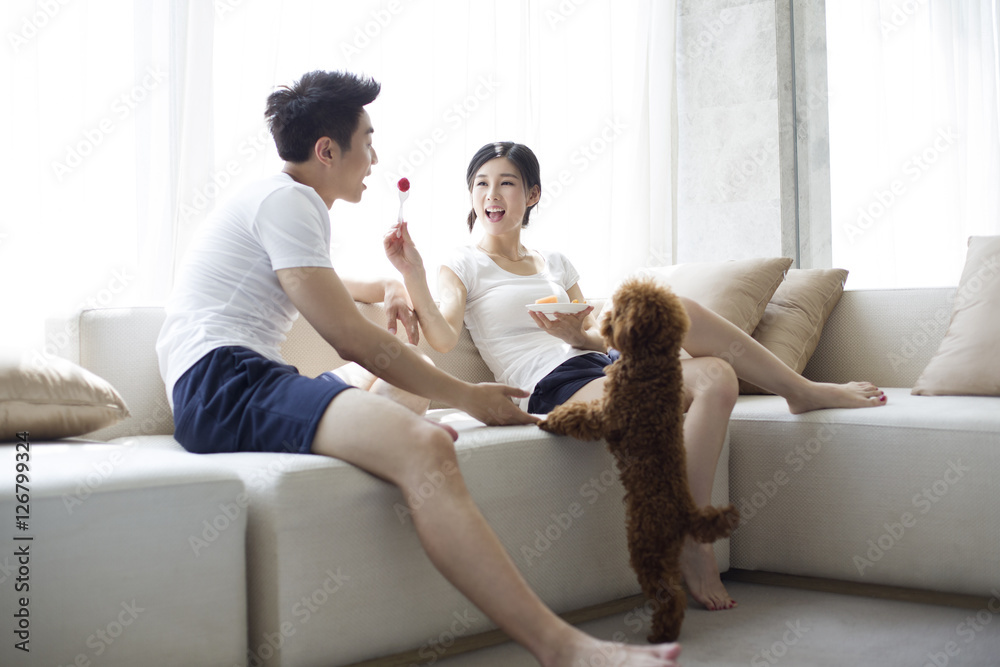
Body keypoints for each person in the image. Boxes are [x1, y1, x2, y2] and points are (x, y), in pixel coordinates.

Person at [157, 73, 682, 667]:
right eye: (367, 140)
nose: (374, 158)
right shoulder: (290, 201)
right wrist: (471, 395)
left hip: (239, 380)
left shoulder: (281, 200)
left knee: (405, 398)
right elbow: (349, 337)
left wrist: (390, 281)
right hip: (224, 385)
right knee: (426, 445)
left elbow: (326, 286)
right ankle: (564, 649)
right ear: (328, 150)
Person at [383, 140, 888, 612]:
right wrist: (411, 274)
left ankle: (793, 400)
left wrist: (578, 336)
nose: (492, 195)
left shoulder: (553, 262)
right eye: (481, 183)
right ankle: (696, 539)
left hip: (597, 363)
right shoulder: (462, 263)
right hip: (548, 386)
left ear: (532, 194)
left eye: (507, 183)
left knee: (715, 374)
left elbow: (598, 337)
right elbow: (445, 337)